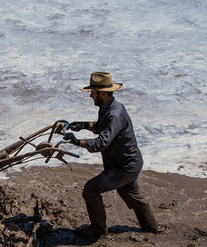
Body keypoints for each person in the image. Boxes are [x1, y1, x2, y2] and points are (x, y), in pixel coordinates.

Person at [60, 71, 158, 238]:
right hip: (129, 162)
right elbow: (102, 127)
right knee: (130, 193)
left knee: (90, 190)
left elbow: (101, 143)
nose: (91, 96)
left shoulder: (114, 114)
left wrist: (77, 142)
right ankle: (151, 228)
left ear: (103, 94)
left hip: (123, 167)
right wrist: (83, 125)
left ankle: (98, 229)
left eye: (93, 92)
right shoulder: (110, 108)